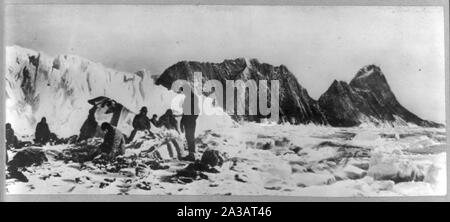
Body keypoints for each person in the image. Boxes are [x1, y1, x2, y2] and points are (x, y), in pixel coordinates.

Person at [180, 91, 200, 161]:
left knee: (190, 137)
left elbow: (197, 112)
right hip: (188, 122)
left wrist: (191, 119)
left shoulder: (192, 100)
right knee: (189, 137)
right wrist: (182, 123)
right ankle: (191, 154)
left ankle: (191, 155)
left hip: (190, 122)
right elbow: (185, 113)